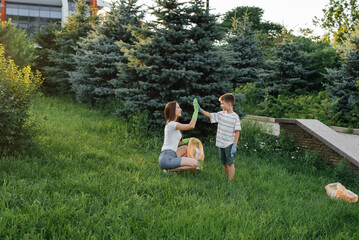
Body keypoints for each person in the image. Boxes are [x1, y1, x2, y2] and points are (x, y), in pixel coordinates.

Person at [198, 93, 241, 182]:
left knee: (230, 163)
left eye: (223, 103)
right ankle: (227, 177)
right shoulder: (221, 114)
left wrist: (234, 145)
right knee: (224, 163)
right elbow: (210, 115)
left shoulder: (235, 117)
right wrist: (201, 110)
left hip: (229, 144)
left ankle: (230, 181)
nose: (221, 105)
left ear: (229, 103)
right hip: (221, 143)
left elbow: (237, 132)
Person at [158, 99, 202, 172]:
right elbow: (191, 126)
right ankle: (170, 170)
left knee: (185, 148)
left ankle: (172, 167)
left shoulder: (172, 124)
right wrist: (196, 111)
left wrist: (190, 139)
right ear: (173, 111)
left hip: (170, 155)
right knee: (196, 164)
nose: (180, 109)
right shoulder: (172, 124)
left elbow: (179, 143)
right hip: (166, 158)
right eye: (178, 108)